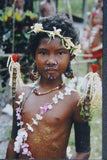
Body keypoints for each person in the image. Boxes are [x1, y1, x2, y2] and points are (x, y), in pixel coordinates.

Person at [6, 14, 90, 159]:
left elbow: (83, 151)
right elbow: (14, 142)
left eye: (60, 53)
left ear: (71, 56)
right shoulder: (22, 94)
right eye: (43, 52)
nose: (51, 61)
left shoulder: (75, 100)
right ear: (34, 55)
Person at [81, 11, 103, 78]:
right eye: (96, 18)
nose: (98, 20)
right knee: (89, 63)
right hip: (90, 47)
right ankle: (89, 76)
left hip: (97, 47)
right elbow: (85, 37)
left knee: (99, 63)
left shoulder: (99, 27)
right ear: (92, 19)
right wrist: (83, 44)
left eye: (99, 18)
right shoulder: (88, 28)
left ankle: (101, 76)